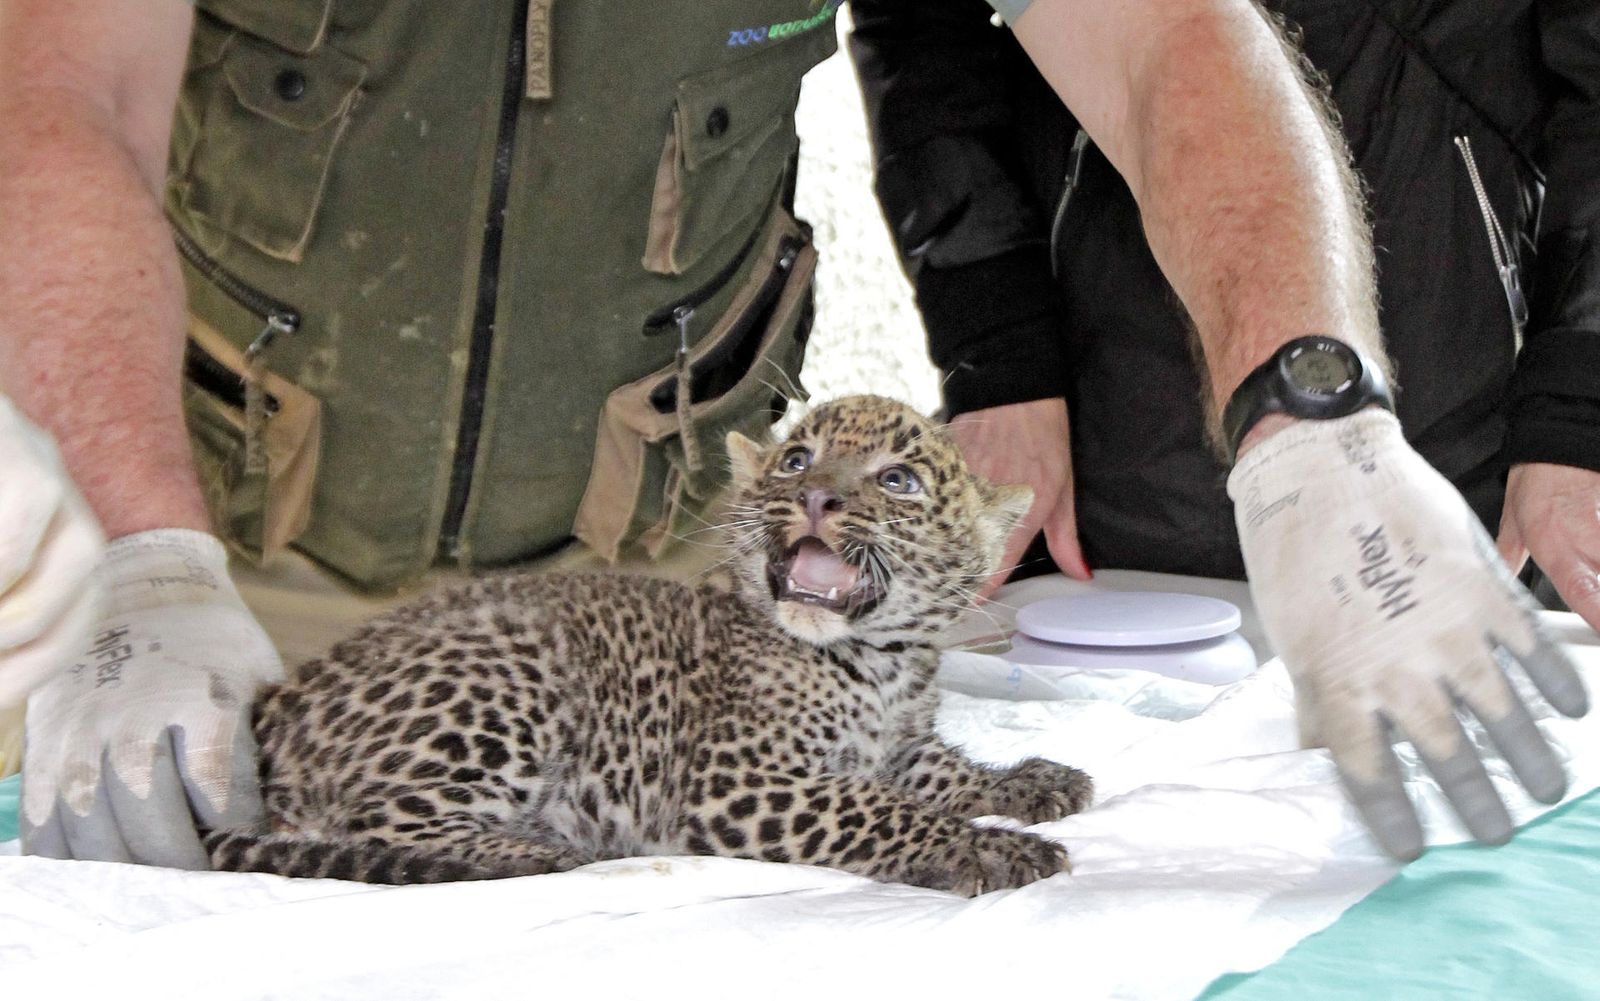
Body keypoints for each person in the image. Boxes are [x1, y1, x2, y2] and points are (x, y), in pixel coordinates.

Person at [0, 0, 1584, 867]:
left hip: (675, 637)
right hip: (212, 591)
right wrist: (142, 556)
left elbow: (1171, 44)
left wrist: (1313, 418)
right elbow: (56, 97)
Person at [850, 0, 1597, 855]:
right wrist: (1000, 357)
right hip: (1101, 442)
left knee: (1460, 838)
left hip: (1459, 445)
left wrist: (1579, 406)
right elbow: (931, 32)